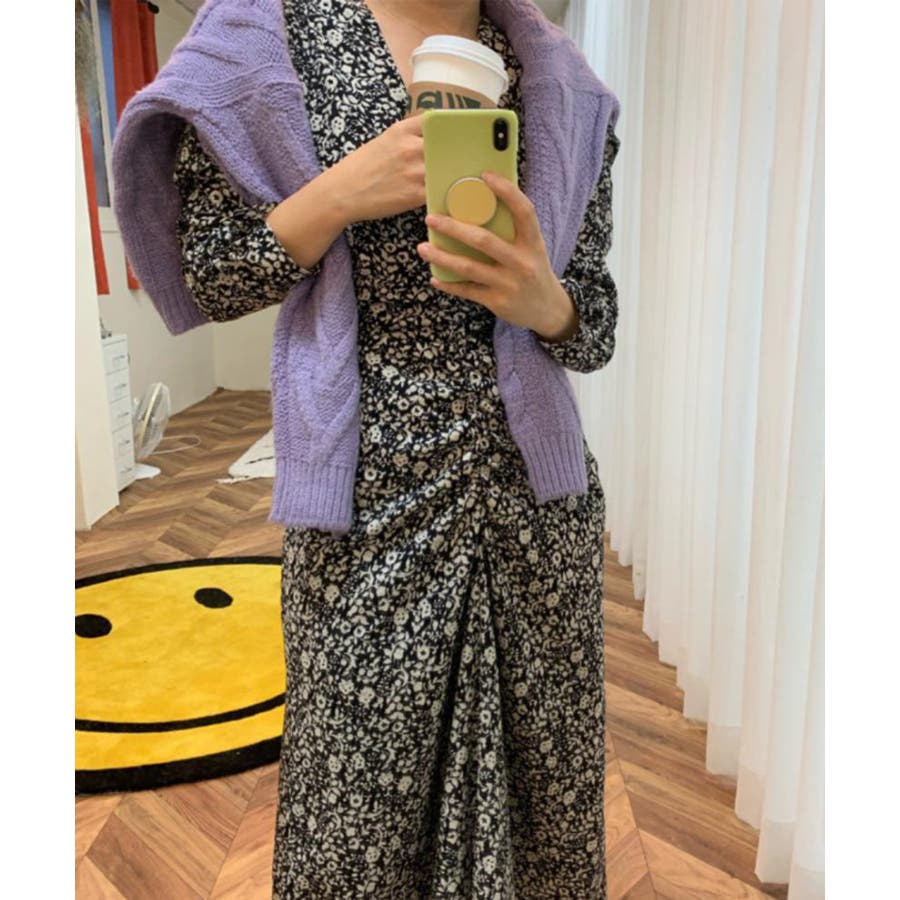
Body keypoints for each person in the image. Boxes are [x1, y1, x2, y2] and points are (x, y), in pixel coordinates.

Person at [160, 0, 618, 894]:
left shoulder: (560, 81)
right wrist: (343, 190)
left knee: (543, 807)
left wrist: (544, 301)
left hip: (532, 509)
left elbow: (594, 325)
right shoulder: (268, 38)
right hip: (363, 504)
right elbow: (209, 273)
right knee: (355, 826)